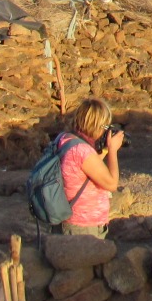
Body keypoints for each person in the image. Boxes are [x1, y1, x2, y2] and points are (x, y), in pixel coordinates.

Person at [56, 97, 123, 238]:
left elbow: (88, 169)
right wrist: (112, 150)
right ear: (97, 124)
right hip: (82, 226)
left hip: (72, 222)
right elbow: (111, 184)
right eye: (105, 126)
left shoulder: (67, 139)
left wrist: (103, 150)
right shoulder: (82, 150)